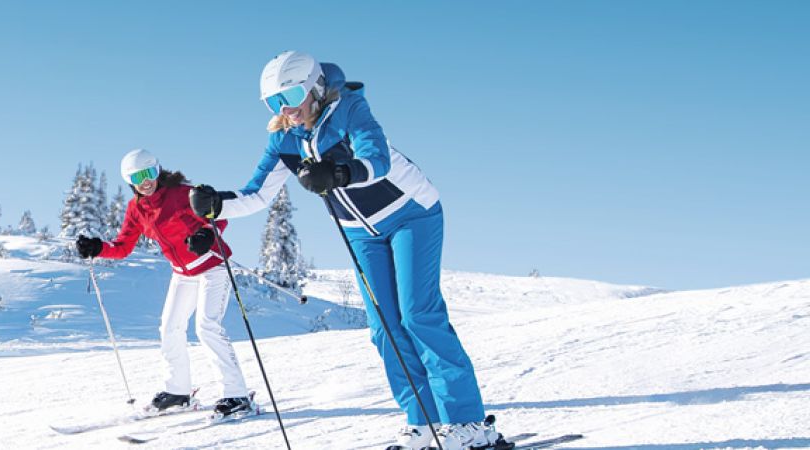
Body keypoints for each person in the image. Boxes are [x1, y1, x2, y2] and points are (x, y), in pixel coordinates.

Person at [189, 51, 506, 449]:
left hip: (411, 214)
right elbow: (256, 195)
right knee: (383, 328)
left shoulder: (349, 107)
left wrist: (340, 173)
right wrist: (217, 203)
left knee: (418, 314)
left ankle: (469, 424)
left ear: (316, 87)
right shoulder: (285, 140)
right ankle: (421, 422)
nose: (285, 109)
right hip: (361, 233)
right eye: (273, 102)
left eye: (290, 95)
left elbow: (376, 158)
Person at [75, 149, 255, 419]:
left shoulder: (182, 193)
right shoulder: (136, 209)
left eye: (149, 173)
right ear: (129, 181)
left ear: (158, 171)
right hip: (183, 274)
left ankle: (236, 394)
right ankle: (178, 392)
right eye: (138, 177)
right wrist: (98, 247)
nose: (145, 181)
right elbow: (123, 246)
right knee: (170, 327)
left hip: (212, 266)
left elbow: (218, 212)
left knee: (207, 327)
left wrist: (206, 234)